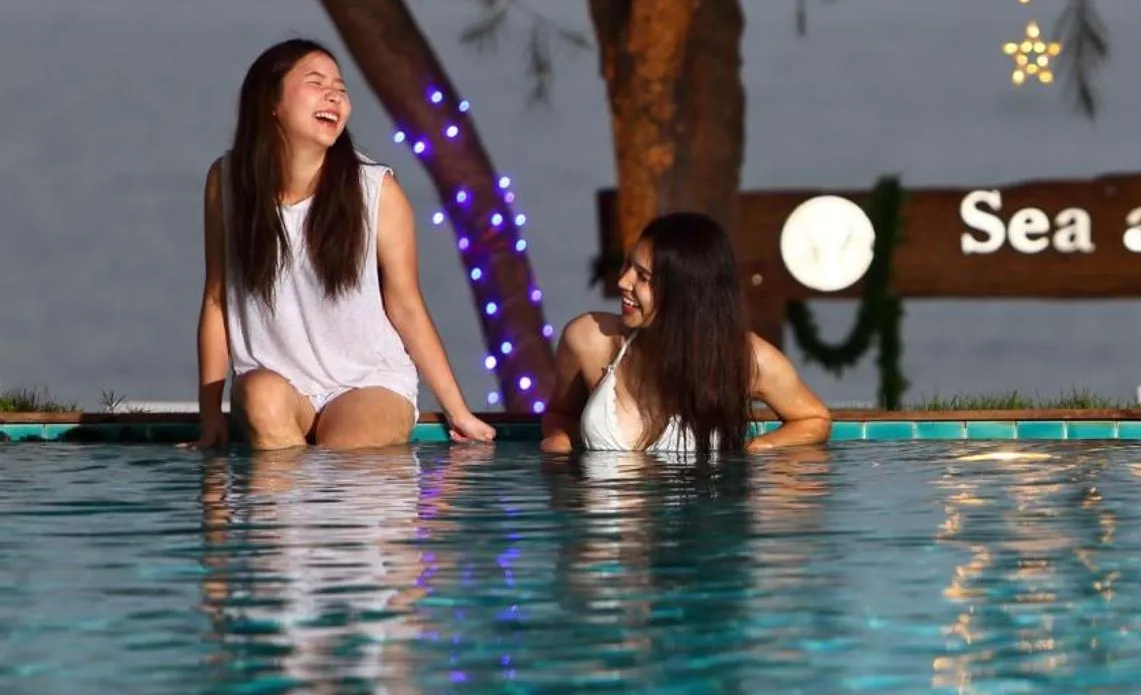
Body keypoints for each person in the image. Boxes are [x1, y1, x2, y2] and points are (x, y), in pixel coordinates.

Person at [193, 38, 496, 450]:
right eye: (316, 83)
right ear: (270, 102)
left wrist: (458, 412)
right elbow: (217, 301)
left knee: (342, 457)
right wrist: (211, 417)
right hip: (279, 385)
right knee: (261, 398)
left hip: (368, 383)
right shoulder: (227, 182)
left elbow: (406, 305)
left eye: (341, 88)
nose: (334, 95)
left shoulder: (377, 190)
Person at [540, 211, 833, 457]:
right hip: (604, 509)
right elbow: (560, 414)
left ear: (685, 293)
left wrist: (760, 447)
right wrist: (559, 443)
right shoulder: (591, 339)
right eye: (628, 264)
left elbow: (814, 418)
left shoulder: (742, 357)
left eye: (643, 277)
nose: (623, 281)